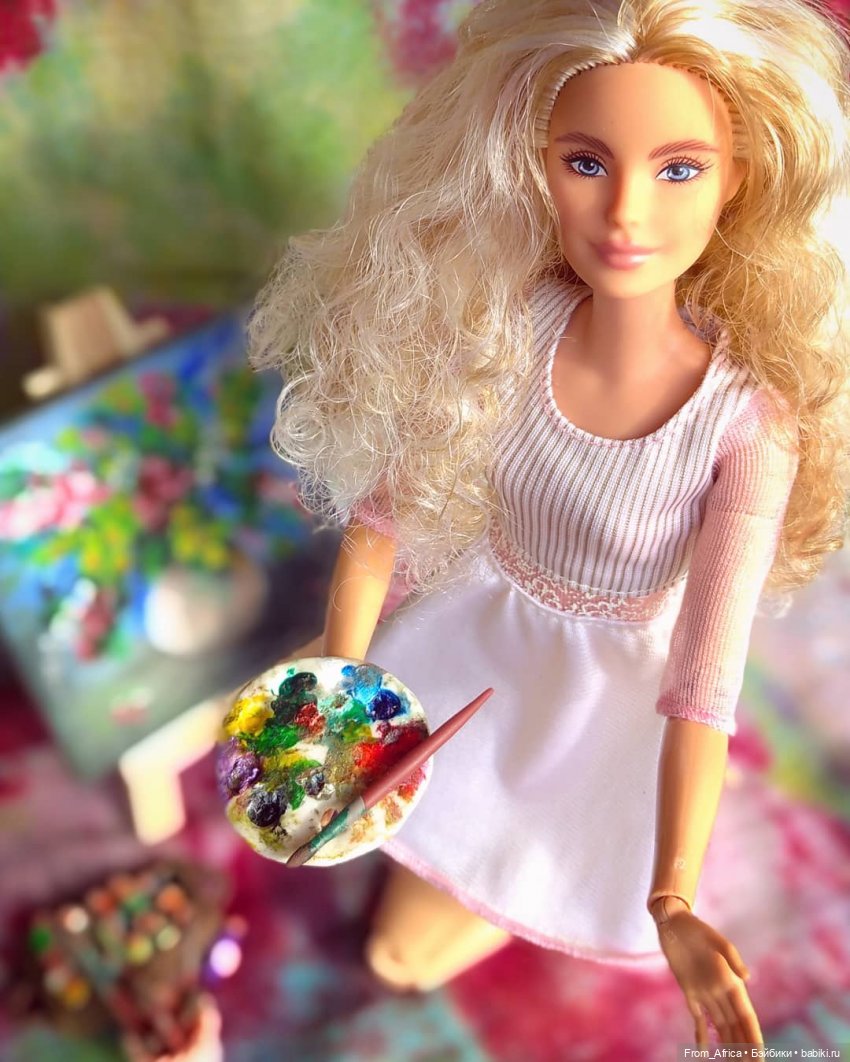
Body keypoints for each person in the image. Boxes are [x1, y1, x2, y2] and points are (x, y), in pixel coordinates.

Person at [249, 0, 850, 1046]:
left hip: (603, 704)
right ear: (532, 163)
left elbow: (704, 684)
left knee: (456, 910)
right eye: (585, 163)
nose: (626, 212)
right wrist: (341, 677)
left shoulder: (746, 428)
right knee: (394, 890)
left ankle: (516, 876)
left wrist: (671, 897)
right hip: (471, 636)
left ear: (737, 180)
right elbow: (386, 515)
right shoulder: (513, 327)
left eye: (678, 169)